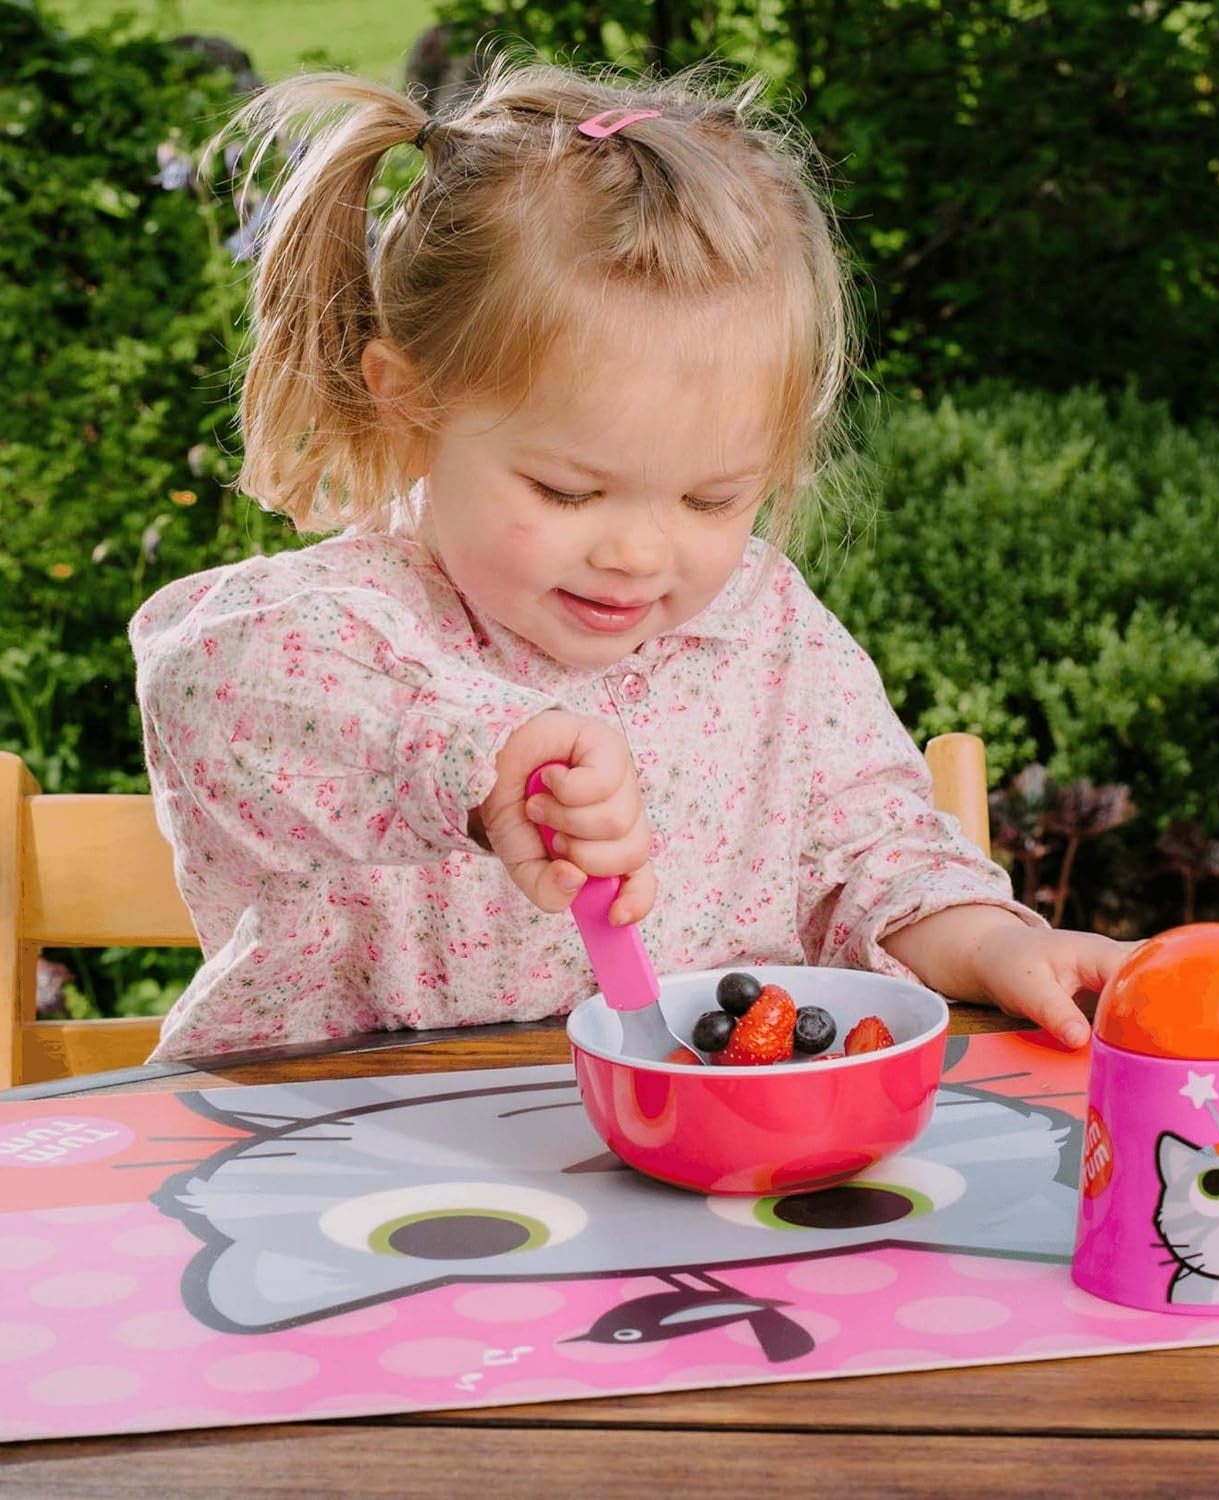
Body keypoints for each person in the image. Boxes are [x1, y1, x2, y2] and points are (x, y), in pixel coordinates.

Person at [131, 55, 1130, 1060]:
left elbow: (870, 858)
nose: (639, 552)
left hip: (677, 1144)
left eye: (712, 499)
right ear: (410, 406)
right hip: (337, 1138)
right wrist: (481, 759)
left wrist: (995, 945)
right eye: (568, 492)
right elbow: (197, 676)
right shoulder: (350, 624)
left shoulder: (762, 629)